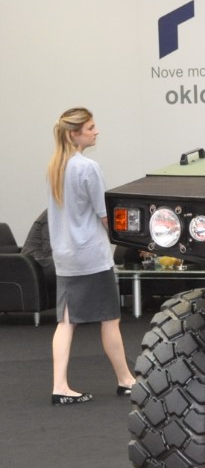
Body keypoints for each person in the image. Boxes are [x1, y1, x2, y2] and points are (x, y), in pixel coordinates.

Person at [46, 107, 136, 405]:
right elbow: (105, 216)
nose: (96, 132)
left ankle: (60, 386)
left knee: (66, 321)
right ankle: (126, 380)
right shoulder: (88, 167)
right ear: (74, 134)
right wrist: (132, 243)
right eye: (90, 128)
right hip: (91, 256)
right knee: (110, 319)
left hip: (65, 257)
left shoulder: (55, 167)